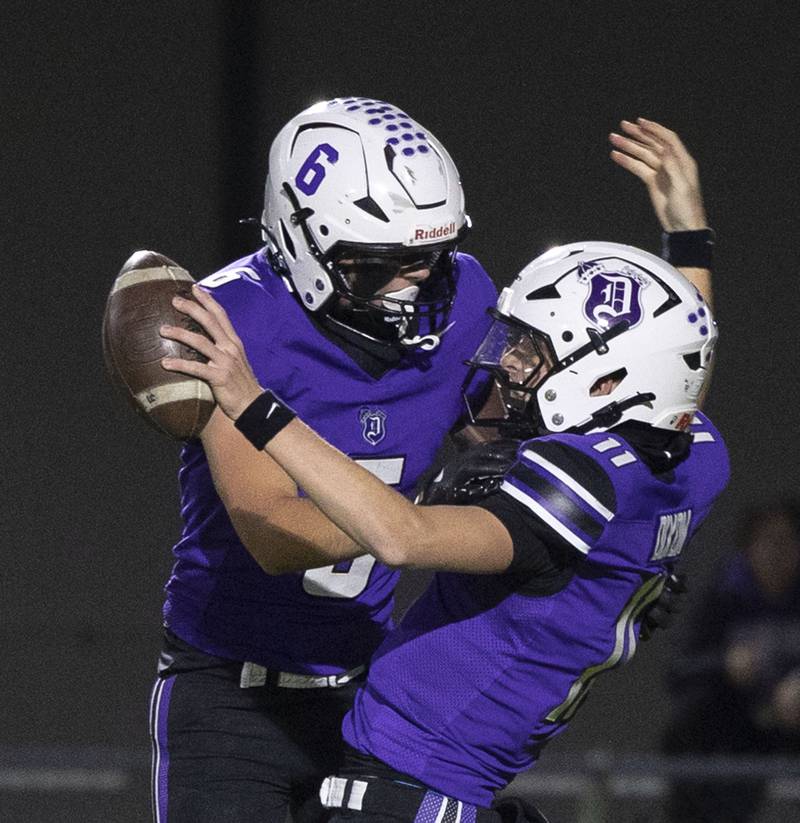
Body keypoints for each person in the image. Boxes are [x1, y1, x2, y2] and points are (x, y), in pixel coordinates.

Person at [160, 206, 729, 823]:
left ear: (606, 380)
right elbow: (678, 369)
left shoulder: (578, 482)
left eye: (533, 351)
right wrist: (688, 243)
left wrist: (254, 403)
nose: (509, 363)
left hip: (411, 786)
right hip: (436, 781)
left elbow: (402, 538)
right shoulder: (697, 453)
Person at [148, 96, 499, 823]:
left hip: (369, 687)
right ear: (304, 242)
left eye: (430, 257)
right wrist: (421, 516)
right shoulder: (230, 318)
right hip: (230, 694)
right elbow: (274, 532)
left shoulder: (464, 298)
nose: (417, 282)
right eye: (382, 264)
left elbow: (515, 449)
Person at [662, 498, 800, 823]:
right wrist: (725, 664)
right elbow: (678, 670)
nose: (776, 553)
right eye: (767, 541)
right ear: (748, 547)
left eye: (786, 541)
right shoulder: (723, 593)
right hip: (728, 733)